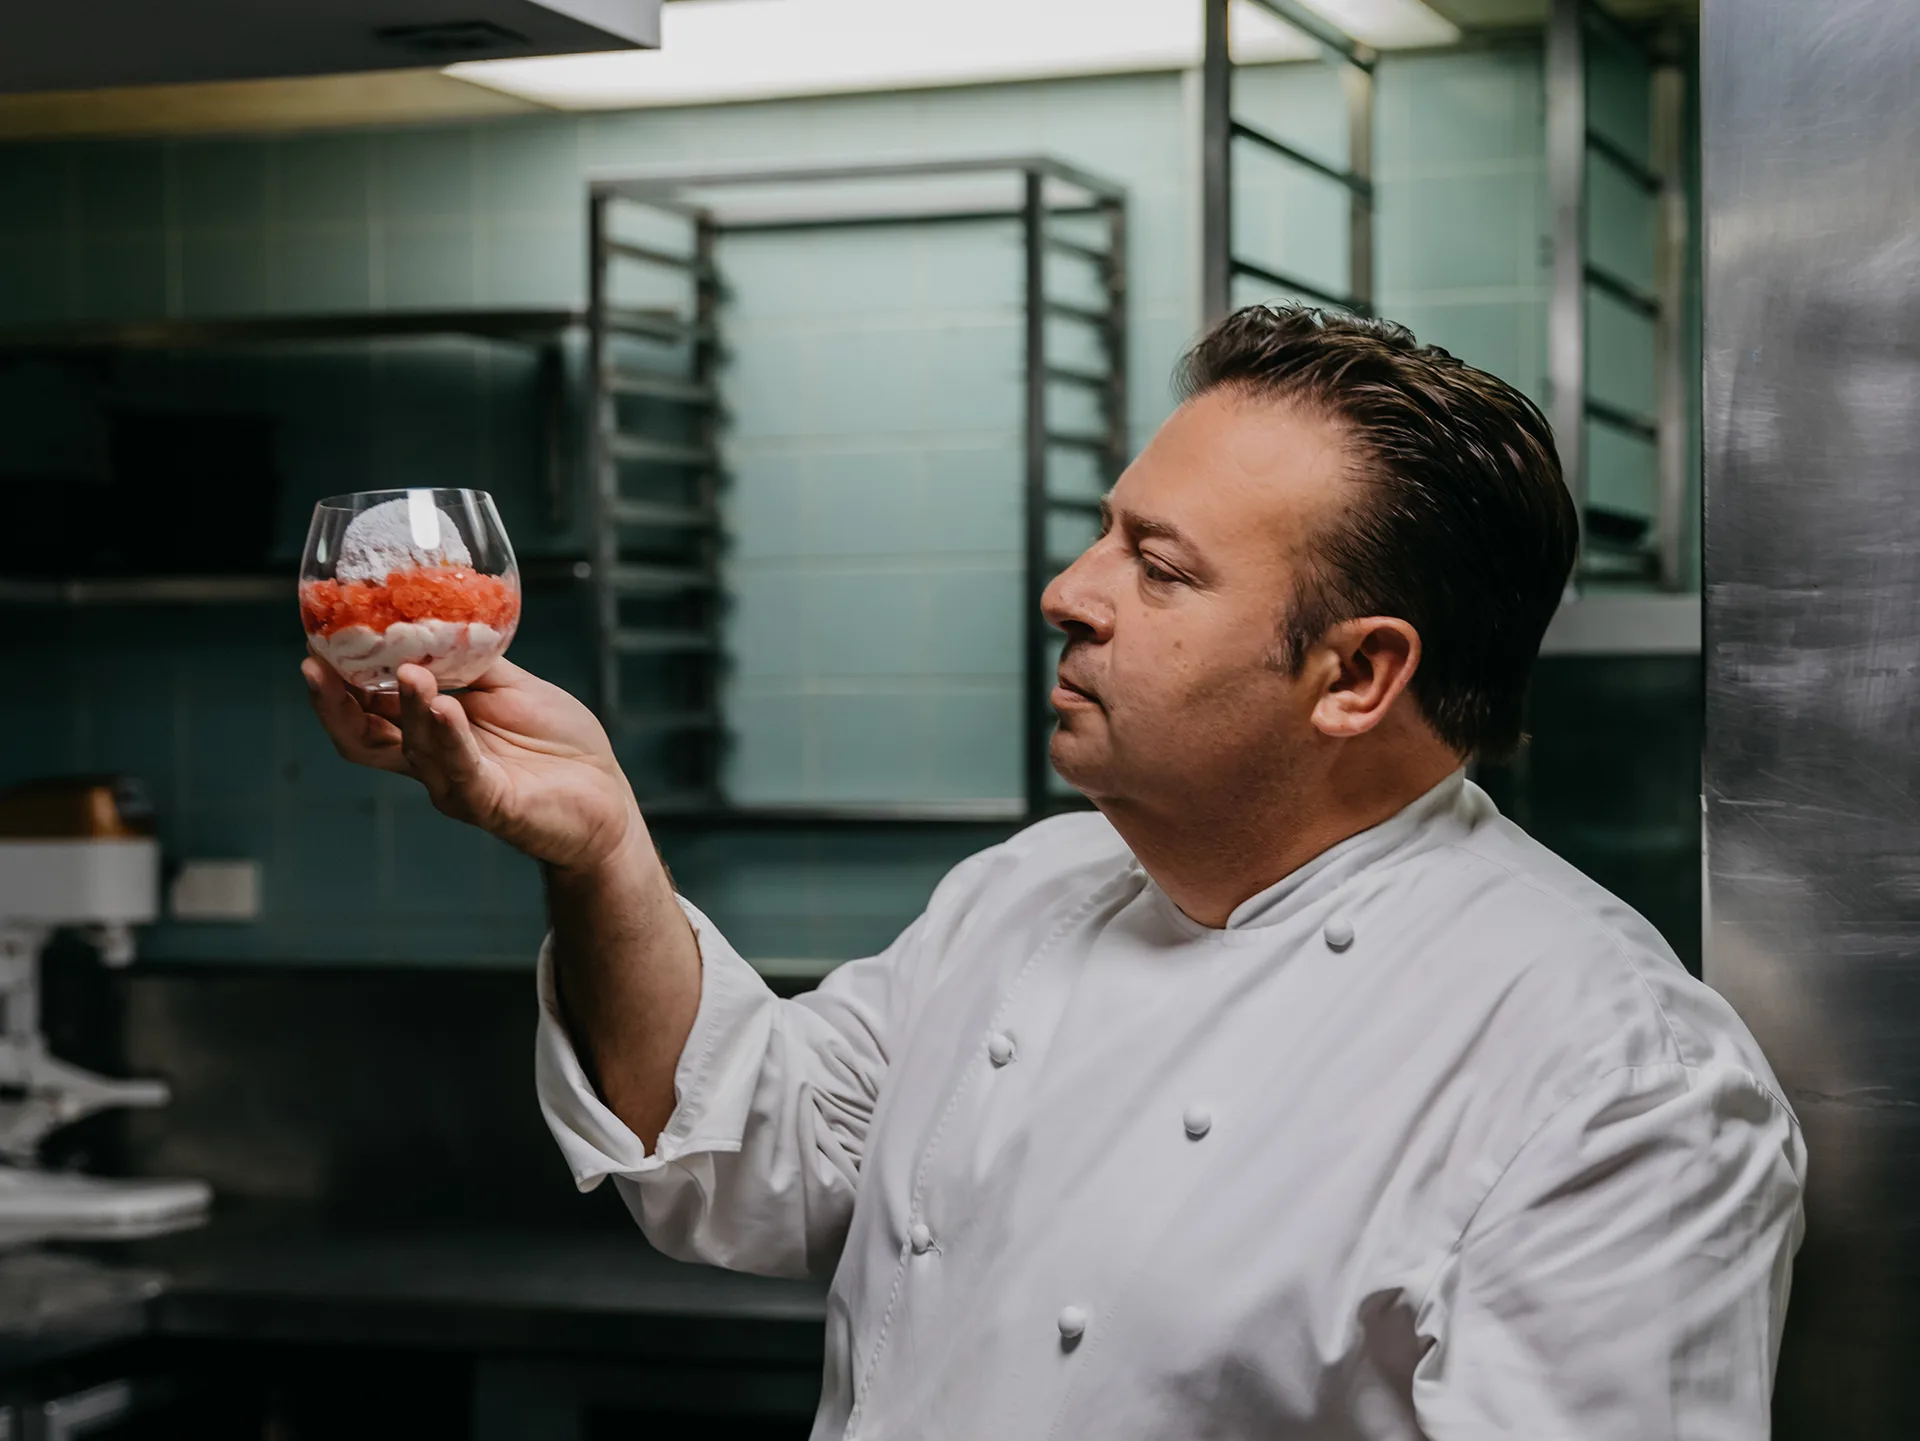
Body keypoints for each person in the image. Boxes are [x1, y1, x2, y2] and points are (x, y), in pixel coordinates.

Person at [305, 305, 1805, 1439]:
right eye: (1107, 533)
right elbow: (755, 1160)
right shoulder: (1034, 889)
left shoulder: (1618, 1079)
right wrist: (602, 845)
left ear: (1358, 675)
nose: (1067, 592)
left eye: (1158, 567)